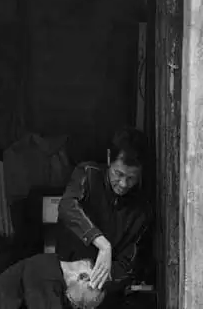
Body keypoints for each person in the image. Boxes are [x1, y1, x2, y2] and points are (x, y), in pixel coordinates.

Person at [56, 127, 152, 296]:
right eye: (118, 174)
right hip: (64, 277)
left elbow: (127, 264)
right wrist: (102, 243)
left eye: (131, 178)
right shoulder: (88, 175)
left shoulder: (140, 212)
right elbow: (67, 206)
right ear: (109, 158)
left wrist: (97, 279)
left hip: (103, 291)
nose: (123, 184)